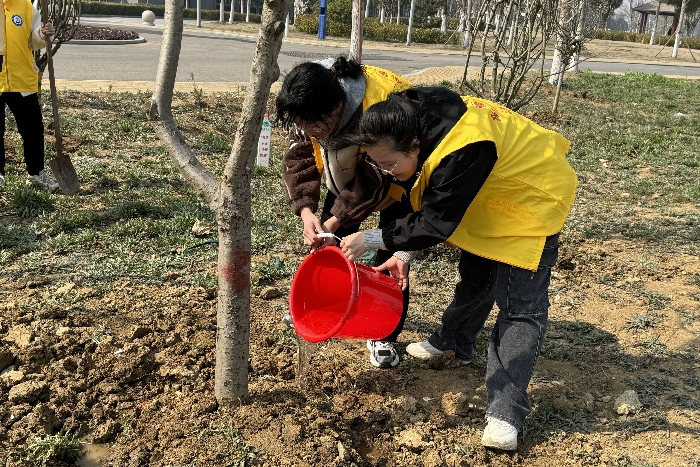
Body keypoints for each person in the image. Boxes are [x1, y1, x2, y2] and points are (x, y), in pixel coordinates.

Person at [339, 87, 577, 450]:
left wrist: (373, 239)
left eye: (389, 165)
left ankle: (505, 413)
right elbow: (437, 202)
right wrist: (403, 254)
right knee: (476, 277)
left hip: (531, 198)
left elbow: (436, 222)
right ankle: (453, 342)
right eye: (378, 164)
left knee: (520, 309)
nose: (387, 173)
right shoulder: (411, 115)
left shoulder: (462, 148)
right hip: (489, 195)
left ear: (414, 146)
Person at [276, 56, 416, 368]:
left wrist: (337, 219)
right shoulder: (309, 105)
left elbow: (376, 176)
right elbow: (298, 158)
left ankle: (383, 332)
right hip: (346, 169)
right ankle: (324, 305)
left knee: (391, 253)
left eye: (315, 126)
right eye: (302, 125)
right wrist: (307, 211)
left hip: (399, 172)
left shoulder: (378, 106)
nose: (309, 131)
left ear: (337, 107)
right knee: (327, 243)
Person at [0, 0, 58, 192]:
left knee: (33, 130)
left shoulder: (26, 7)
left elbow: (33, 41)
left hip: (21, 78)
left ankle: (36, 174)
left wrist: (43, 33)